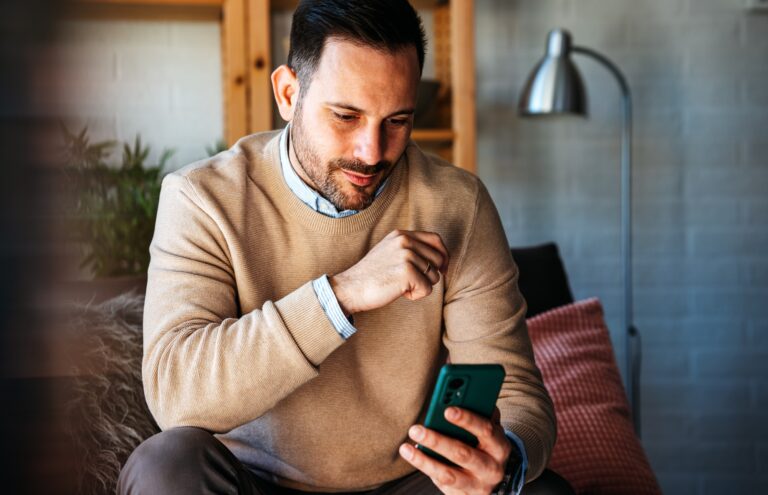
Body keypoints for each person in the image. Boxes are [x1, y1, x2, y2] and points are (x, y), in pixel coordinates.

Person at [118, 1, 569, 494]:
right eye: (346, 116)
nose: (372, 152)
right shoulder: (203, 199)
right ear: (288, 94)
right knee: (167, 467)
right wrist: (341, 294)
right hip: (253, 483)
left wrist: (505, 459)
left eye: (396, 121)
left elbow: (518, 392)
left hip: (406, 481)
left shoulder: (458, 205)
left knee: (539, 489)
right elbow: (176, 393)